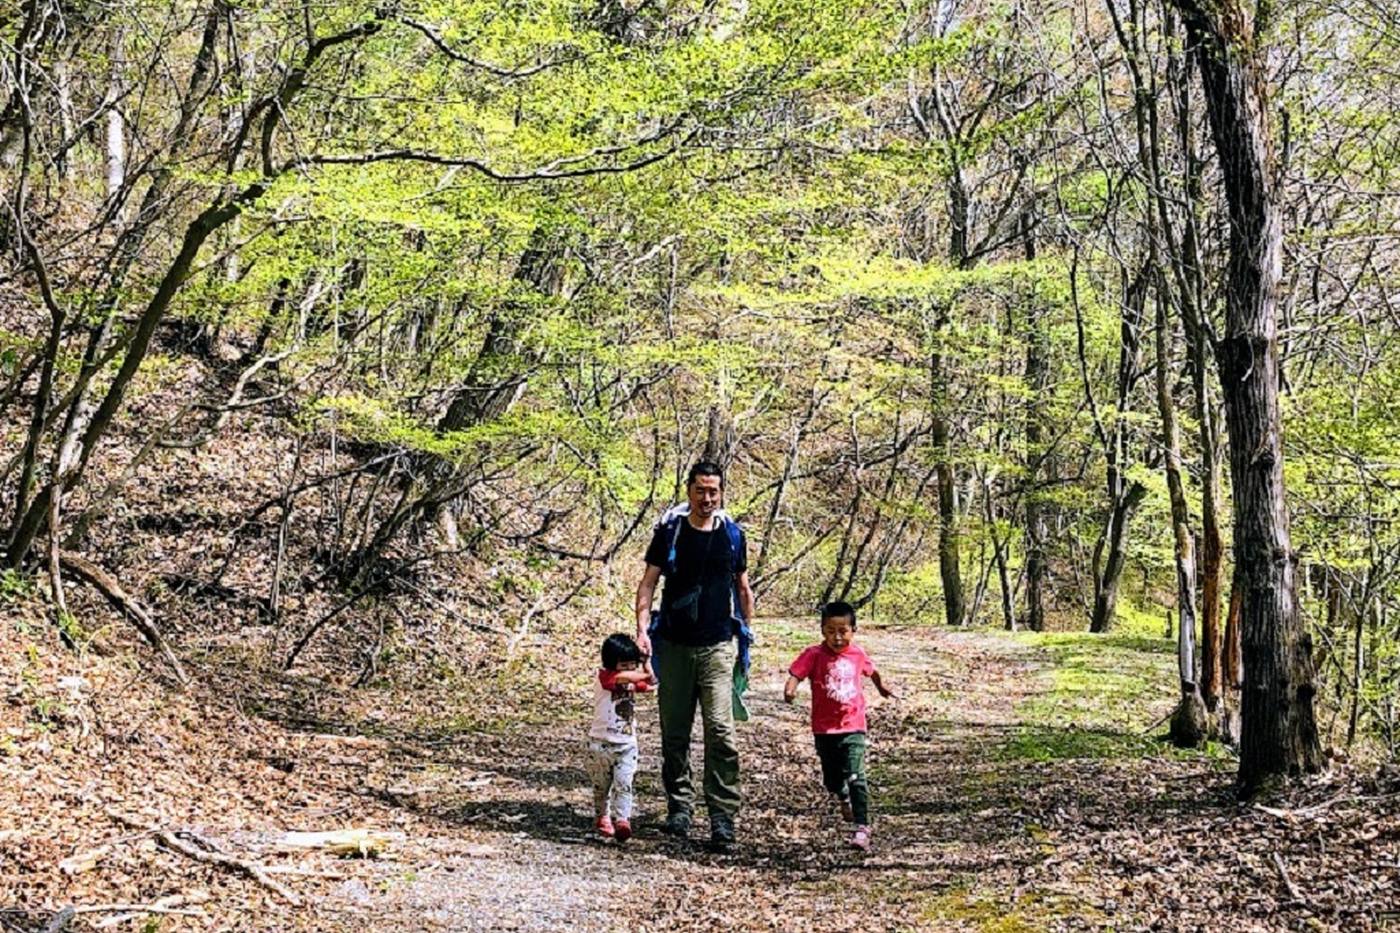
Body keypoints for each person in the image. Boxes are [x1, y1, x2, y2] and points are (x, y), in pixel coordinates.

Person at [635, 460, 754, 849]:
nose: (707, 497)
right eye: (700, 490)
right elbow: (648, 583)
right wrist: (641, 630)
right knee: (675, 733)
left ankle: (722, 816)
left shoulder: (733, 536)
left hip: (718, 645)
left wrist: (747, 638)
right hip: (673, 645)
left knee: (721, 731)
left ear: (721, 494)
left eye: (713, 491)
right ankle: (679, 807)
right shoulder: (670, 532)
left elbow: (742, 587)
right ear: (689, 491)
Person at [784, 600, 897, 851]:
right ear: (822, 630)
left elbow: (872, 671)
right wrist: (790, 689)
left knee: (857, 775)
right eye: (831, 631)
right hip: (824, 729)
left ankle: (862, 827)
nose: (837, 638)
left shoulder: (857, 654)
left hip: (854, 725)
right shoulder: (813, 655)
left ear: (853, 631)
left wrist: (881, 687)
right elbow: (796, 673)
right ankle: (841, 794)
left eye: (843, 631)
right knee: (832, 779)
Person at [587, 633, 656, 843]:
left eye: (631, 664)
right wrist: (638, 671)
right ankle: (602, 816)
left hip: (626, 744)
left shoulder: (630, 679)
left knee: (624, 782)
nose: (628, 669)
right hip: (600, 743)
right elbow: (630, 678)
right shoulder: (605, 677)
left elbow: (651, 684)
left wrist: (647, 663)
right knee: (601, 786)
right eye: (623, 664)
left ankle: (623, 819)